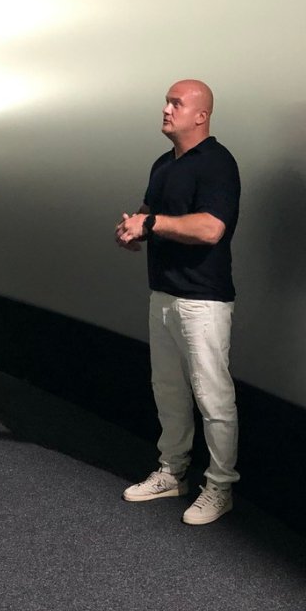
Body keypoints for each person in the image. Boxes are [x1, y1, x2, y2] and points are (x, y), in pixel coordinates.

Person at [115, 79, 241, 525]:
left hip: (203, 301)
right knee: (167, 389)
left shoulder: (218, 163)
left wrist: (150, 224)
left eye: (176, 103)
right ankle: (172, 472)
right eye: (166, 102)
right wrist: (134, 229)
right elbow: (151, 216)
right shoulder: (163, 164)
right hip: (164, 295)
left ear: (201, 115)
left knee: (212, 397)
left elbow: (210, 228)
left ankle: (220, 487)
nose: (166, 109)